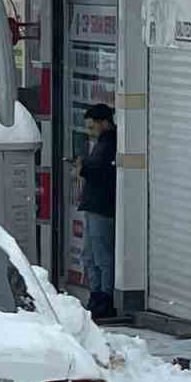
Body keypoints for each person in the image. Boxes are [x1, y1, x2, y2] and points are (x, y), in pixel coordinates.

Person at [77, 103, 118, 320]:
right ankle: (96, 294)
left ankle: (104, 297)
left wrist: (83, 167)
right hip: (93, 206)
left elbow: (102, 173)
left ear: (104, 123)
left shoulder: (110, 143)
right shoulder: (102, 143)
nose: (90, 132)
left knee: (101, 254)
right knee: (89, 254)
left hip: (101, 207)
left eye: (92, 127)